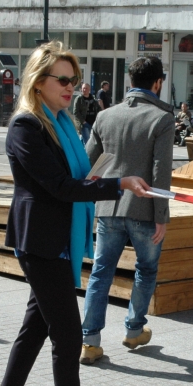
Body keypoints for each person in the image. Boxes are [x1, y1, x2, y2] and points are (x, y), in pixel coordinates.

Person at [0, 42, 150, 386]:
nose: (70, 86)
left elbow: (70, 181)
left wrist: (97, 180)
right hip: (39, 242)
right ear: (38, 81)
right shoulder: (26, 127)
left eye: (73, 79)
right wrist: (116, 184)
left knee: (36, 329)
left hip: (59, 240)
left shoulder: (62, 122)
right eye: (62, 79)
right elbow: (59, 187)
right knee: (68, 335)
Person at [80, 56, 174, 365]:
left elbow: (89, 166)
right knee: (146, 269)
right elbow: (161, 172)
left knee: (101, 272)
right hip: (144, 209)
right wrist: (161, 216)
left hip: (108, 207)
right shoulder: (161, 118)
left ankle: (90, 341)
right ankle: (134, 329)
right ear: (158, 83)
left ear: (130, 81)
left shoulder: (105, 116)